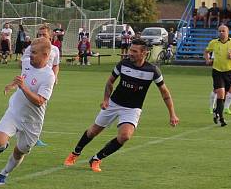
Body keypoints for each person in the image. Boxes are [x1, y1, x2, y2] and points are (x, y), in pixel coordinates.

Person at [64, 39, 179, 172]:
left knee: (125, 136)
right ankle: (75, 153)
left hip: (132, 108)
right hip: (113, 103)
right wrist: (106, 100)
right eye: (131, 50)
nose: (130, 53)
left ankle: (96, 159)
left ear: (144, 53)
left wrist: (172, 114)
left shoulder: (152, 71)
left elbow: (165, 93)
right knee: (93, 131)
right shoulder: (123, 64)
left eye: (134, 51)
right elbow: (110, 82)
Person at [0, 37, 55, 185]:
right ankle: (2, 146)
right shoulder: (26, 63)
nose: (30, 55)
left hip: (33, 122)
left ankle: (4, 172)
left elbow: (39, 101)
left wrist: (24, 87)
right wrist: (12, 85)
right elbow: (22, 78)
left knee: (19, 152)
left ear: (45, 55)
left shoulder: (49, 76)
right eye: (30, 52)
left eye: (34, 53)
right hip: (15, 112)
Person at [204, 25, 231, 126]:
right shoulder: (214, 42)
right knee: (220, 93)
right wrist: (207, 60)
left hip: (228, 72)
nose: (221, 33)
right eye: (219, 31)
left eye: (223, 31)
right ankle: (221, 118)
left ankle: (216, 111)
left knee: (224, 95)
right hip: (217, 71)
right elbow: (206, 51)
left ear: (227, 32)